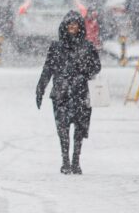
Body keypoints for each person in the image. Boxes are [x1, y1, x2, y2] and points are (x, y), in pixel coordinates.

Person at [36, 11, 102, 175]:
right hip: (61, 93)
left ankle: (76, 160)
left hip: (81, 93)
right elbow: (48, 69)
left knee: (79, 129)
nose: (72, 27)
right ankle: (65, 160)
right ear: (64, 27)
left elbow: (96, 67)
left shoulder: (87, 47)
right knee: (63, 129)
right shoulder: (56, 47)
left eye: (75, 24)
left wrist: (84, 72)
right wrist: (40, 89)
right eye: (69, 24)